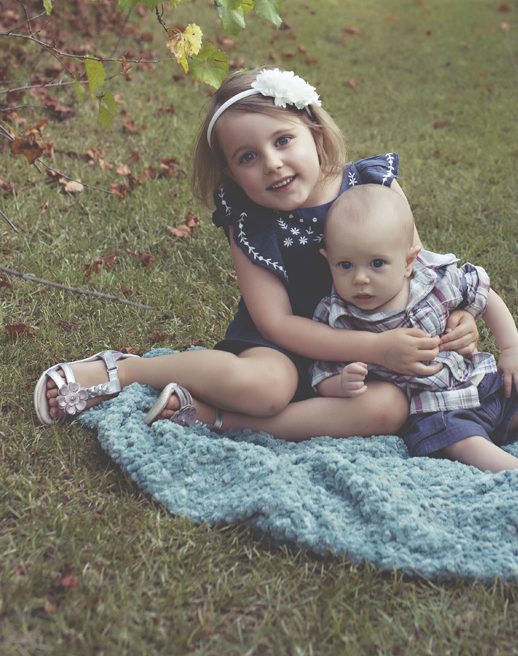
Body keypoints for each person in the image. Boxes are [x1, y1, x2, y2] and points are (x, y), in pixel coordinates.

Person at [35, 67, 480, 439]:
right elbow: (276, 322)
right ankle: (125, 371)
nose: (271, 163)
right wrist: (378, 348)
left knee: (388, 409)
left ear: (316, 133)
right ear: (231, 171)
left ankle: (216, 418)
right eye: (248, 157)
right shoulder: (250, 220)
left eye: (283, 140)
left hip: (370, 347)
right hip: (285, 347)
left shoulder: (374, 185)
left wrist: (455, 321)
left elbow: (418, 268)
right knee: (265, 387)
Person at [310, 184, 518, 472]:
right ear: (328, 261)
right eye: (345, 265)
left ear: (408, 261)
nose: (360, 279)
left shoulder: (433, 281)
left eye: (377, 263)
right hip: (433, 410)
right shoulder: (338, 316)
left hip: (481, 384)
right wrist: (343, 384)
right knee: (465, 442)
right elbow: (323, 371)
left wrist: (511, 349)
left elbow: (485, 296)